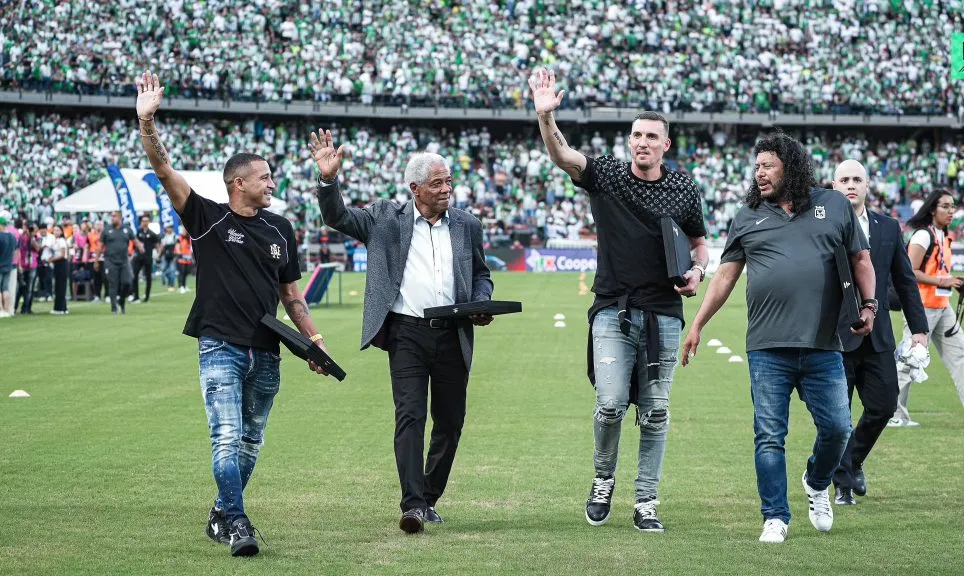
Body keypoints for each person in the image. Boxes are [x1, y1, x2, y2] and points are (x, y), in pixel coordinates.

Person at [136, 69, 330, 557]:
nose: (272, 182)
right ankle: (239, 522)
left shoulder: (281, 227)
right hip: (219, 343)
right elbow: (164, 172)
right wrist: (147, 124)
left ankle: (221, 513)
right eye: (264, 177)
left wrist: (313, 339)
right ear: (237, 183)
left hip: (267, 350)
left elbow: (291, 295)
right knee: (226, 438)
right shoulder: (206, 217)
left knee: (250, 443)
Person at [530, 69, 709, 533]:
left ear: (666, 145)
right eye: (636, 135)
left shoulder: (684, 187)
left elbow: (700, 243)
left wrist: (697, 271)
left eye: (651, 136)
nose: (642, 142)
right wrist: (546, 117)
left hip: (665, 313)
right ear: (629, 141)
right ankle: (603, 479)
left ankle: (646, 500)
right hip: (612, 309)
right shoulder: (607, 174)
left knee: (655, 411)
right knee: (609, 403)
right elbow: (562, 155)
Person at [681, 132, 876, 544]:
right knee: (769, 435)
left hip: (824, 345)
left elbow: (861, 259)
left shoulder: (835, 205)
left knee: (839, 428)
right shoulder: (747, 215)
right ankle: (775, 516)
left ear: (791, 166)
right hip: (767, 347)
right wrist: (698, 323)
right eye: (756, 167)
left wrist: (870, 305)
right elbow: (726, 275)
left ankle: (816, 481)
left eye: (767, 165)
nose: (759, 173)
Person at [311, 129, 494, 535]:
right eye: (437, 183)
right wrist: (328, 180)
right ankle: (412, 505)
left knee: (450, 422)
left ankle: (428, 498)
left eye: (448, 181)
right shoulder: (383, 219)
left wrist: (481, 302)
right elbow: (337, 217)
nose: (446, 189)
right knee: (409, 416)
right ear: (414, 188)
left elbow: (481, 274)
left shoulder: (467, 225)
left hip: (453, 333)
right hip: (406, 334)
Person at [830, 160, 929, 505]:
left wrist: (919, 329)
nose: (851, 185)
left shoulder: (888, 227)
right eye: (845, 179)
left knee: (884, 406)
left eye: (857, 179)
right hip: (836, 337)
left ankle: (852, 461)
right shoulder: (822, 225)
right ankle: (842, 484)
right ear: (834, 185)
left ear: (868, 186)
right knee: (838, 416)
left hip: (879, 336)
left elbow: (905, 279)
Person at [891, 189, 964, 429]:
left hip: (941, 307)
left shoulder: (943, 235)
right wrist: (943, 281)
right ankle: (893, 414)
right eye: (945, 206)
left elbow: (937, 271)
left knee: (961, 354)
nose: (951, 211)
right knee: (909, 362)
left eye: (953, 206)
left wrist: (953, 281)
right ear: (933, 209)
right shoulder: (923, 236)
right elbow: (909, 272)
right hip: (921, 308)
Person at [100, 210, 140, 315]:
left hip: (124, 260)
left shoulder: (127, 229)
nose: (112, 218)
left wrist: (141, 249)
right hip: (110, 260)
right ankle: (114, 308)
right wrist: (96, 260)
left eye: (114, 216)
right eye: (111, 216)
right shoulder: (107, 230)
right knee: (113, 284)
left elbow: (135, 241)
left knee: (127, 282)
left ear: (120, 217)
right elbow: (100, 245)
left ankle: (121, 301)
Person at [131, 214, 160, 302]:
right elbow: (135, 243)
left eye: (147, 221)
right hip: (138, 257)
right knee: (134, 275)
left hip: (148, 257)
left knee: (148, 277)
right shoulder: (138, 232)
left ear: (149, 222)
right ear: (141, 222)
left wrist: (157, 253)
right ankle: (136, 296)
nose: (145, 223)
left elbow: (157, 245)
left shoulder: (152, 233)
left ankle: (147, 297)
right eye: (143, 221)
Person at [48, 225, 70, 315]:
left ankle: (59, 308)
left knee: (60, 286)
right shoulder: (56, 241)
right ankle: (63, 307)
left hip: (61, 263)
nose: (56, 232)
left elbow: (62, 254)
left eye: (58, 230)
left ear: (61, 232)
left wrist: (51, 259)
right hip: (58, 264)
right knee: (59, 286)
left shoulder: (61, 241)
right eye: (54, 230)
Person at [0, 213, 16, 318]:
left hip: (0, 264)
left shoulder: (1, 236)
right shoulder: (12, 236)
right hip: (9, 264)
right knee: (5, 288)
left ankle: (1, 309)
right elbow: (14, 252)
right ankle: (6, 309)